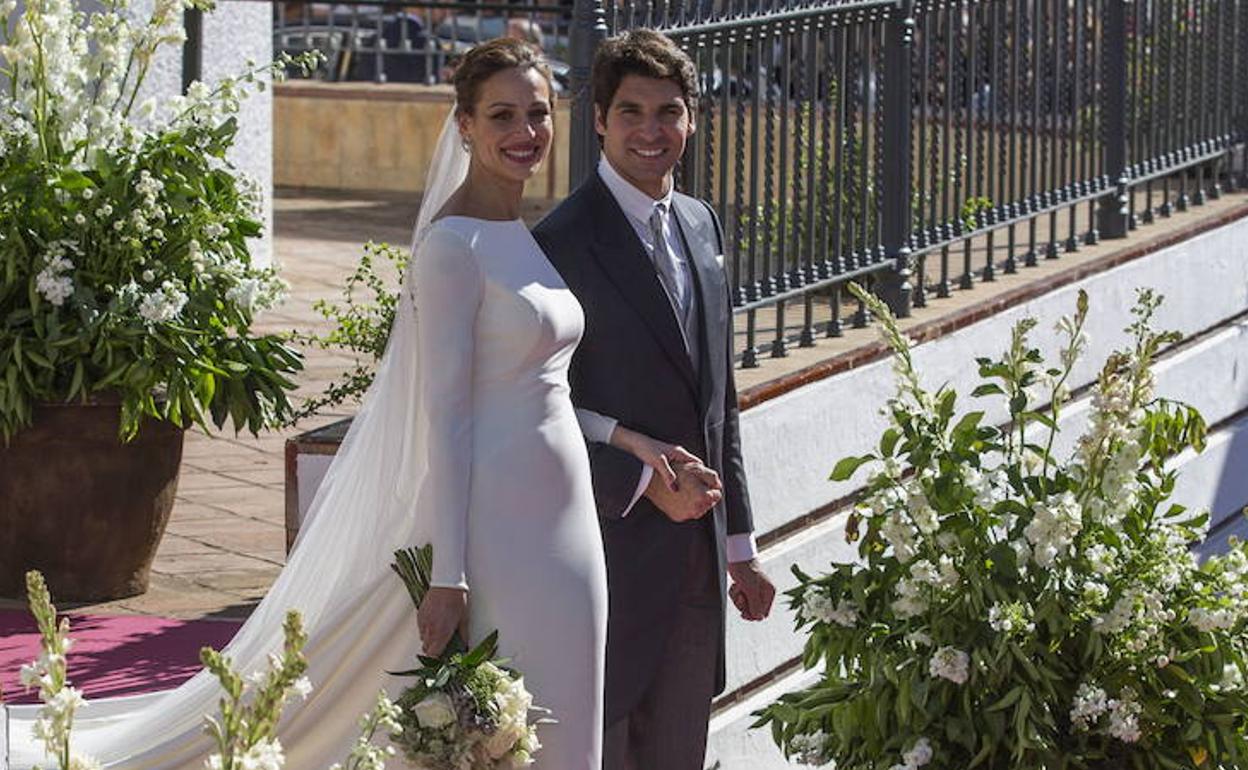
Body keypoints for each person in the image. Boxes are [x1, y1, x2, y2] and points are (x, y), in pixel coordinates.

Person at [7, 38, 679, 770]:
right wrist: (450, 574)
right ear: (462, 125)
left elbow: (537, 384)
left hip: (567, 509)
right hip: (501, 523)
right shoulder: (453, 247)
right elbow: (447, 415)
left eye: (536, 113)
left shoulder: (517, 232)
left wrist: (622, 438)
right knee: (522, 723)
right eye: (501, 116)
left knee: (568, 706)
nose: (525, 133)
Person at [532, 28, 777, 770]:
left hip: (698, 566)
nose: (651, 131)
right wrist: (640, 482)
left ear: (693, 119)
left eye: (668, 111)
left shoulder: (701, 224)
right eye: (631, 111)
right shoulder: (560, 242)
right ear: (599, 119)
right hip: (603, 559)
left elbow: (718, 401)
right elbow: (535, 410)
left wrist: (740, 546)